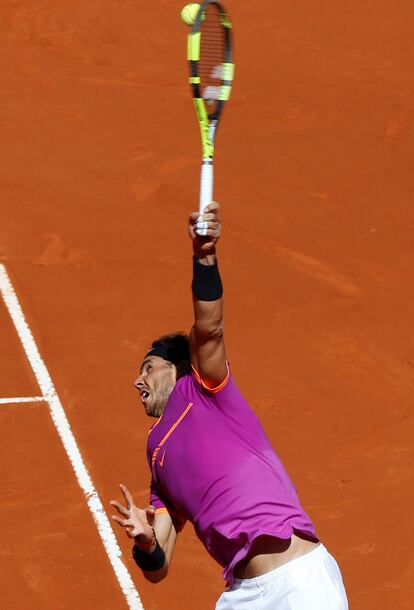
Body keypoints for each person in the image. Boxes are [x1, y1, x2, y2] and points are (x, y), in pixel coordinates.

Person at [110, 202, 349, 609]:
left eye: (148, 368)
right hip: (243, 595)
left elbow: (210, 327)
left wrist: (204, 255)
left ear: (179, 369)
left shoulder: (204, 389)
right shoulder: (157, 456)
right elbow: (158, 567)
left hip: (298, 582)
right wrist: (146, 543)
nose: (138, 380)